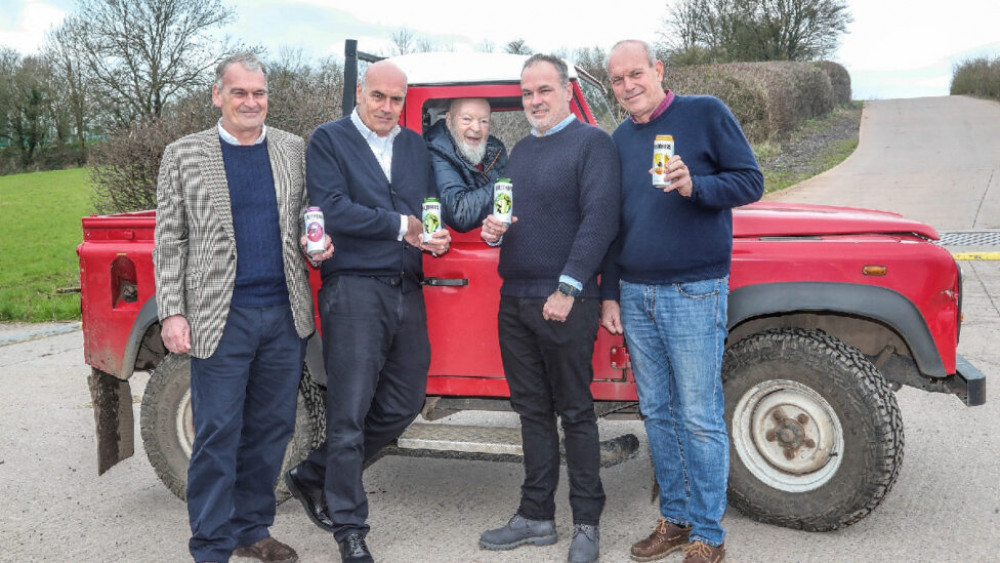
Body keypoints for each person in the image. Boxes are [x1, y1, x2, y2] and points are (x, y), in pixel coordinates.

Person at [153, 52, 333, 563]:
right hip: (218, 319)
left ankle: (252, 529)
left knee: (272, 429)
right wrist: (173, 312)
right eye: (240, 93)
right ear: (218, 95)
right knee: (216, 433)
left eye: (259, 93)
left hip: (282, 313)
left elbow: (307, 218)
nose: (251, 102)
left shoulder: (291, 149)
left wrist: (317, 242)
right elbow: (169, 242)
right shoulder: (183, 155)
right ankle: (210, 545)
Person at [600, 40, 764, 563]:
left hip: (694, 289)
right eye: (618, 80)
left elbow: (750, 182)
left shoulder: (706, 112)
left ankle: (708, 536)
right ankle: (674, 520)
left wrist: (698, 185)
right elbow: (614, 226)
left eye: (636, 74)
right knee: (658, 413)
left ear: (658, 70)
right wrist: (610, 293)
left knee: (698, 415)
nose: (628, 86)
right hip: (636, 293)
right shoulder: (620, 138)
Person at [283, 60, 451, 563]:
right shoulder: (329, 140)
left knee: (404, 400)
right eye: (378, 96)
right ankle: (350, 529)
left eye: (396, 99)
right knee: (349, 413)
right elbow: (331, 207)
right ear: (360, 93)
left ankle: (313, 475)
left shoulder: (414, 144)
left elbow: (428, 202)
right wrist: (403, 227)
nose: (387, 107)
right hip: (353, 289)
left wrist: (434, 232)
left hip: (406, 286)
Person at [478, 54, 620, 563]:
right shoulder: (519, 152)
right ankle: (536, 515)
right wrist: (496, 231)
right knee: (532, 412)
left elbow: (599, 221)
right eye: (527, 93)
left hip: (563, 300)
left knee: (576, 413)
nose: (534, 101)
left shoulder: (592, 144)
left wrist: (568, 288)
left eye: (544, 90)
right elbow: (514, 214)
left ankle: (586, 523)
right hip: (513, 298)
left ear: (564, 90)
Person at [424, 97, 508, 232]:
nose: (476, 128)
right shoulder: (435, 150)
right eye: (467, 119)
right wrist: (509, 186)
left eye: (484, 121)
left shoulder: (495, 148)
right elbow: (459, 213)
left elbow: (507, 210)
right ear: (449, 120)